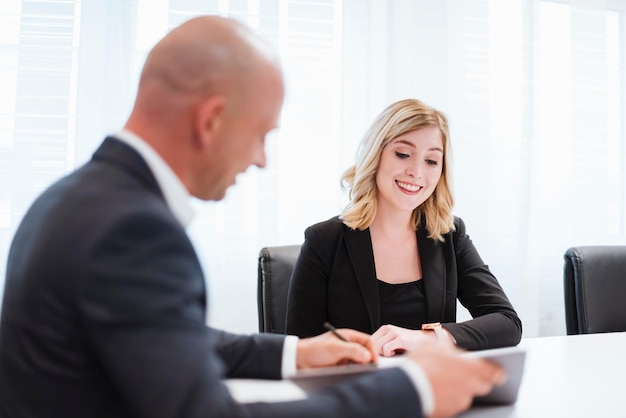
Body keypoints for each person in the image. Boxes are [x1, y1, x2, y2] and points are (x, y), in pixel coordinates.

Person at [0, 16, 506, 418]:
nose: (260, 158)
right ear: (212, 120)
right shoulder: (135, 231)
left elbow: (174, 338)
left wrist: (296, 354)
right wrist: (411, 393)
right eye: (260, 133)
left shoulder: (76, 199)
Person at [286, 98, 523, 356]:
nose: (417, 172)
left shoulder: (449, 235)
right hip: (353, 391)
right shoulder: (324, 240)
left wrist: (430, 338)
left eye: (431, 161)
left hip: (431, 390)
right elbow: (300, 351)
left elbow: (507, 322)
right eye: (403, 154)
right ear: (376, 155)